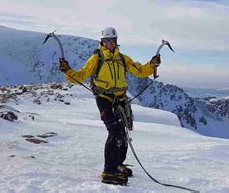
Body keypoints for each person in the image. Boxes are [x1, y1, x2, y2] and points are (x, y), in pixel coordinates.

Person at [58, 27, 161, 185]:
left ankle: (117, 164)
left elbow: (140, 71)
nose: (109, 44)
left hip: (120, 99)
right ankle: (109, 170)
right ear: (102, 42)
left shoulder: (123, 58)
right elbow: (79, 76)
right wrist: (67, 70)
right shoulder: (96, 58)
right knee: (115, 130)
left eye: (112, 41)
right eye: (106, 41)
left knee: (123, 132)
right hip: (104, 98)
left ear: (116, 42)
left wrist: (152, 65)